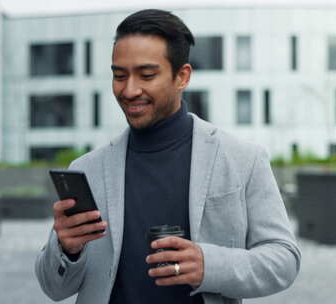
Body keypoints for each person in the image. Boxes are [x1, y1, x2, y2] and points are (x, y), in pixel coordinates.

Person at [35, 9, 301, 304]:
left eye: (146, 75)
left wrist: (208, 264)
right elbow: (54, 288)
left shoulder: (243, 159)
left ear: (182, 76)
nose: (129, 90)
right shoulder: (87, 169)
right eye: (119, 76)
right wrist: (66, 248)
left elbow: (284, 259)